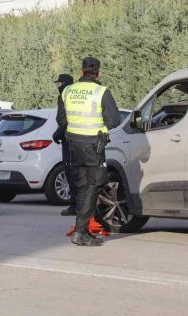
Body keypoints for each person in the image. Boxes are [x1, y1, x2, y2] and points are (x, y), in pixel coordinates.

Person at [57, 57, 120, 246]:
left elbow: (61, 119)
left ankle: (81, 229)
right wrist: (101, 129)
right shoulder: (101, 92)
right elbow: (114, 120)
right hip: (93, 145)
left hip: (73, 146)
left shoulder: (68, 91)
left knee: (83, 185)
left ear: (81, 71)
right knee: (95, 185)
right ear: (98, 73)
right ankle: (81, 231)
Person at [51, 73, 79, 216]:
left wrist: (58, 133)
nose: (58, 86)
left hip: (69, 139)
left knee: (71, 172)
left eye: (59, 83)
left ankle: (75, 206)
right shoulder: (76, 95)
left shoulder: (64, 95)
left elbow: (64, 119)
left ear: (64, 83)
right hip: (82, 138)